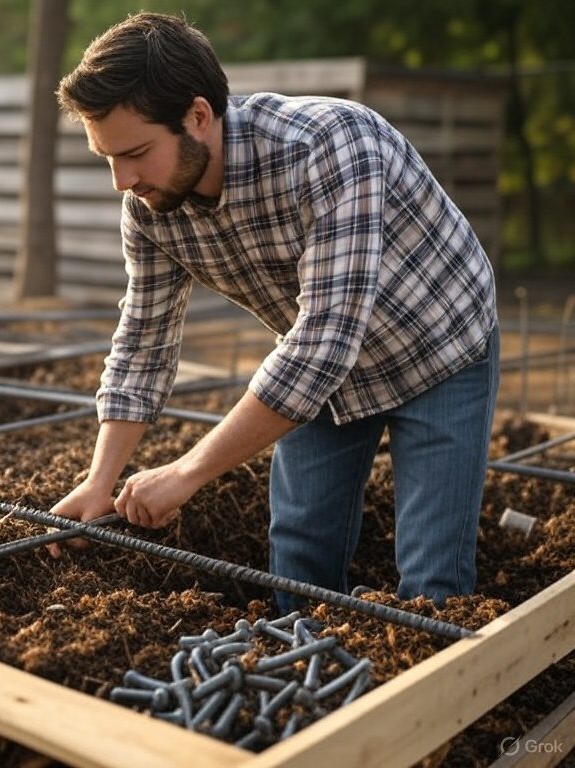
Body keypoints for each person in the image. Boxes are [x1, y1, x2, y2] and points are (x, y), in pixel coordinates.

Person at [47, 12, 499, 611]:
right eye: (107, 158)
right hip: (323, 369)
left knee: (431, 576)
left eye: (135, 153)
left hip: (438, 347)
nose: (121, 181)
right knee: (300, 548)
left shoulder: (330, 146)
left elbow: (324, 340)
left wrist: (186, 473)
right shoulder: (149, 207)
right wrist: (100, 481)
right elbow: (142, 341)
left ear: (199, 117)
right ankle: (310, 687)